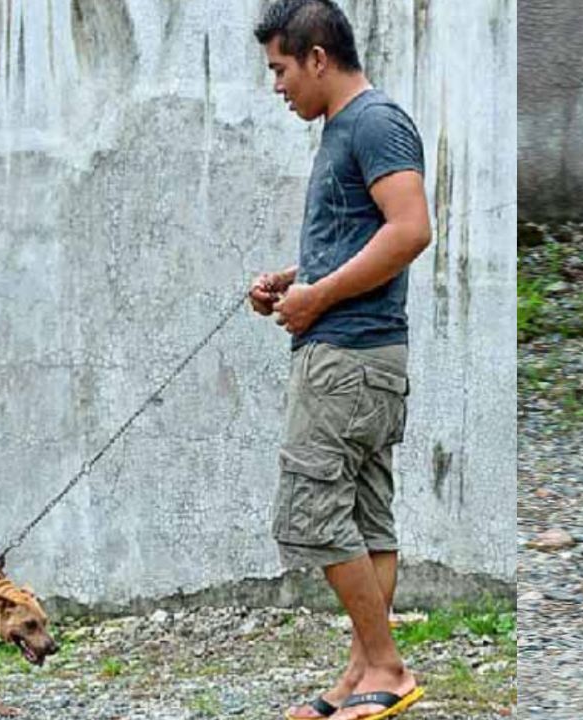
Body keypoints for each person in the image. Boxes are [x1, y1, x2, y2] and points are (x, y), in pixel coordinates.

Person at [250, 1, 431, 719]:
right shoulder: (346, 128)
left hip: (348, 360)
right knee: (365, 517)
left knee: (311, 514)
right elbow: (365, 235)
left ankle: (387, 663)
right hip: (359, 355)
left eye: (281, 68)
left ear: (317, 57)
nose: (277, 85)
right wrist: (295, 281)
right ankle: (364, 678)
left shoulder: (373, 122)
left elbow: (411, 229)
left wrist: (319, 296)